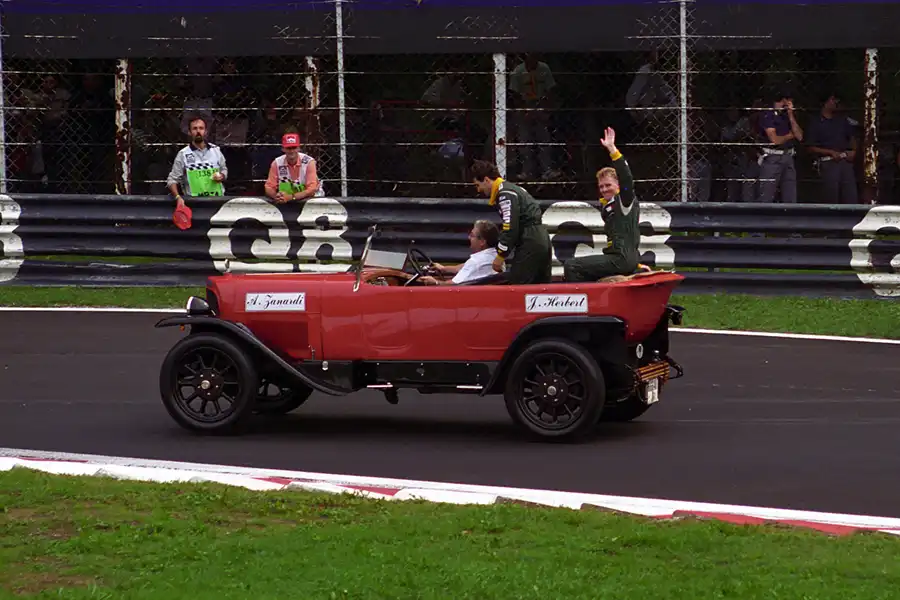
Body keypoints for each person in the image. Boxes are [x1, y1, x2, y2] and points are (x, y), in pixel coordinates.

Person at [563, 127, 641, 282]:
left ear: (618, 185)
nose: (604, 189)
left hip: (620, 259)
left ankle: (583, 304)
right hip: (623, 258)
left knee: (571, 266)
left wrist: (612, 149)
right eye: (601, 186)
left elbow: (626, 177)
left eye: (608, 185)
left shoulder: (624, 200)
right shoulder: (609, 205)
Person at [470, 159, 552, 285]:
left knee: (518, 286)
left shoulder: (505, 194)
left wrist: (500, 256)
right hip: (541, 237)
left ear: (486, 180)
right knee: (541, 286)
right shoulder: (512, 188)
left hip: (531, 239)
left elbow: (510, 227)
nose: (478, 190)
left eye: (477, 185)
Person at [167, 116, 228, 229]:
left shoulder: (216, 151)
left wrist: (222, 176)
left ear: (205, 131)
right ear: (190, 132)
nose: (198, 131)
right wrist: (177, 197)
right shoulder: (183, 154)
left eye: (201, 128)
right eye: (195, 128)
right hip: (195, 206)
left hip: (217, 204)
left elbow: (224, 169)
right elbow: (172, 180)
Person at [755, 88, 803, 203]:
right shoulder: (768, 115)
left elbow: (800, 136)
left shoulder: (787, 116)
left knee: (790, 196)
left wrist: (791, 115)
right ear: (785, 100)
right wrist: (790, 136)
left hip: (788, 156)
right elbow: (775, 140)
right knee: (766, 195)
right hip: (772, 157)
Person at [420, 220, 500, 285]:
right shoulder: (496, 257)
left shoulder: (475, 262)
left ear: (482, 242)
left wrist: (435, 282)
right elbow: (463, 267)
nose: (469, 237)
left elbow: (453, 285)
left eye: (472, 235)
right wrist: (443, 269)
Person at [264, 131, 323, 203]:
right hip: (285, 200)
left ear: (299, 148)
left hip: (311, 200)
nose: (291, 151)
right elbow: (269, 187)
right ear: (283, 149)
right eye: (288, 148)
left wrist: (291, 197)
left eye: (294, 147)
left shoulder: (309, 162)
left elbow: (311, 189)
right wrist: (276, 196)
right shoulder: (277, 163)